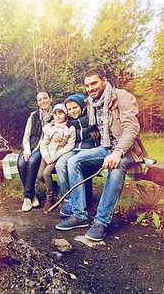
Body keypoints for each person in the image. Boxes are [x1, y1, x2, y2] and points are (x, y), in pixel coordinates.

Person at [55, 67, 147, 242]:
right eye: (87, 85)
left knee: (116, 166)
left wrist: (118, 152)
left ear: (104, 80)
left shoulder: (123, 97)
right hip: (105, 147)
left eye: (94, 83)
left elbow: (131, 128)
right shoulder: (91, 102)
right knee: (73, 161)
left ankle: (101, 222)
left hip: (126, 148)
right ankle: (79, 216)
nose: (90, 88)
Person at [47, 93, 97, 218]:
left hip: (88, 149)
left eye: (75, 107)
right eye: (69, 109)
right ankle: (68, 200)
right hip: (73, 149)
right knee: (60, 165)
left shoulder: (91, 116)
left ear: (81, 106)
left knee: (74, 164)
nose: (72, 111)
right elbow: (49, 126)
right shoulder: (67, 120)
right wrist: (52, 132)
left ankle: (83, 201)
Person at [17, 89, 53, 212]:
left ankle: (27, 197)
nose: (43, 101)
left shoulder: (57, 114)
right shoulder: (33, 116)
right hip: (30, 145)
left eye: (45, 98)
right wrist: (27, 150)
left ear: (50, 99)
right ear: (38, 103)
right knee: (21, 163)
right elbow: (26, 136)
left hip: (43, 147)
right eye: (40, 100)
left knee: (32, 161)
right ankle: (32, 195)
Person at [37, 104, 76, 212]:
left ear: (65, 114)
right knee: (40, 175)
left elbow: (70, 145)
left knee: (46, 173)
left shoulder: (70, 129)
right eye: (55, 114)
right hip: (47, 154)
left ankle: (50, 199)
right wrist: (46, 157)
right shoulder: (50, 127)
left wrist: (55, 157)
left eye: (60, 113)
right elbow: (43, 143)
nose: (57, 116)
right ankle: (53, 186)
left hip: (57, 155)